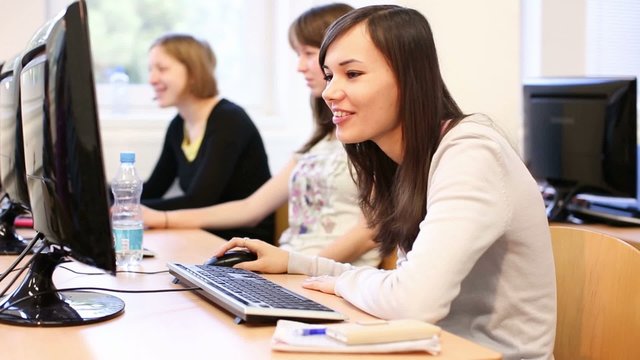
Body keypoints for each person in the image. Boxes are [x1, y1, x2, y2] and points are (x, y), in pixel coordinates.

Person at [213, 5, 556, 360]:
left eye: (353, 74)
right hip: (429, 347)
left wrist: (341, 281)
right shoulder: (405, 160)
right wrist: (294, 263)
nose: (330, 92)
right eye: (330, 75)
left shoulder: (471, 153)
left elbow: (414, 301)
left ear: (409, 79)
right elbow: (406, 288)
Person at [143, 4, 381, 267]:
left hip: (326, 275)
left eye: (308, 53)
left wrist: (295, 266)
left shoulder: (371, 136)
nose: (300, 66)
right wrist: (160, 218)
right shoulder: (318, 141)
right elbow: (251, 208)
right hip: (293, 267)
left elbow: (371, 231)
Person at [144, 34, 274, 243]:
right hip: (202, 235)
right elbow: (153, 188)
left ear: (194, 72)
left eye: (162, 69)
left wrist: (127, 209)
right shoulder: (178, 125)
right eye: (150, 69)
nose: (152, 79)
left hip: (239, 243)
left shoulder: (229, 120)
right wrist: (109, 202)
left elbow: (200, 200)